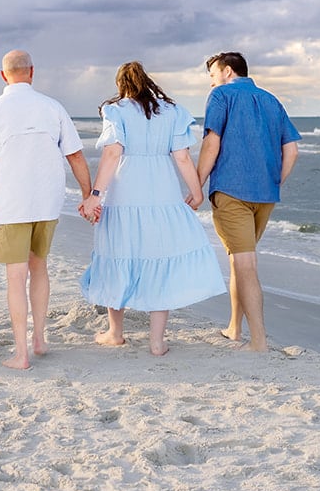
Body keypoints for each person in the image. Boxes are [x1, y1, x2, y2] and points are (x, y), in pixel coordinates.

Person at [78, 62, 226, 355]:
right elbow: (182, 158)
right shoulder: (171, 112)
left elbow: (112, 153)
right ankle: (157, 342)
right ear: (148, 82)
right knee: (160, 259)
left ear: (122, 85)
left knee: (118, 256)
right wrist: (196, 192)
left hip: (126, 193)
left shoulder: (117, 110)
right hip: (163, 192)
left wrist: (95, 195)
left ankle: (115, 333)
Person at [0, 50, 92, 370]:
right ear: (32, 72)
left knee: (14, 277)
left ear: (3, 75)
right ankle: (40, 338)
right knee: (40, 268)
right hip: (47, 202)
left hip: (11, 203)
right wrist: (88, 194)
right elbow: (75, 156)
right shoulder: (53, 107)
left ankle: (21, 352)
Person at [194, 51, 301, 352]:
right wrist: (274, 181)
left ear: (227, 71)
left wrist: (197, 185)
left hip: (232, 191)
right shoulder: (271, 100)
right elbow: (291, 150)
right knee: (238, 261)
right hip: (265, 196)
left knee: (245, 264)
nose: (211, 81)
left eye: (213, 74)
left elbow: (211, 142)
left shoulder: (221, 96)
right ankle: (234, 327)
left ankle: (259, 341)